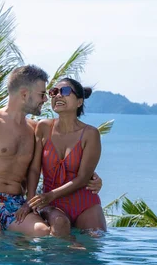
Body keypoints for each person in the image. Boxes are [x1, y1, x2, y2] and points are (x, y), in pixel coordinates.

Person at [0, 65, 101, 235]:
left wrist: (93, 178)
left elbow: (55, 160)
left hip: (16, 203)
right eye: (42, 94)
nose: (45, 100)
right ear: (24, 94)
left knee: (43, 232)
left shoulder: (35, 129)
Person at [16, 77, 107, 237]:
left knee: (93, 247)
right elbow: (35, 169)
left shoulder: (90, 134)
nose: (57, 96)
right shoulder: (44, 127)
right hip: (51, 205)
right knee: (59, 250)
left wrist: (50, 195)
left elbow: (84, 178)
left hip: (85, 204)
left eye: (64, 91)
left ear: (79, 102)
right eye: (53, 92)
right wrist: (30, 202)